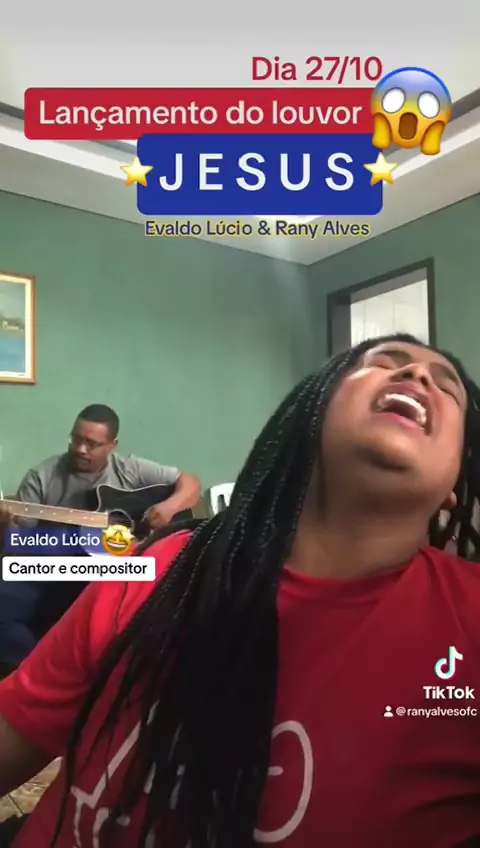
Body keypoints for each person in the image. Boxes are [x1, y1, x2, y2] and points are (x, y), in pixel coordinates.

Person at [0, 334, 479, 847]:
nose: (418, 375)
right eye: (383, 362)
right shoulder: (164, 568)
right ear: (311, 415)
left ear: (455, 481)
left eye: (448, 387)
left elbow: (186, 483)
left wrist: (164, 509)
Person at [0, 404, 201, 669]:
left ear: (112, 445)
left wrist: (169, 507)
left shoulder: (130, 469)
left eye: (92, 444)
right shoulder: (42, 476)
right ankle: (34, 669)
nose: (81, 449)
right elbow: (19, 546)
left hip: (121, 567)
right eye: (76, 439)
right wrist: (6, 525)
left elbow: (191, 483)